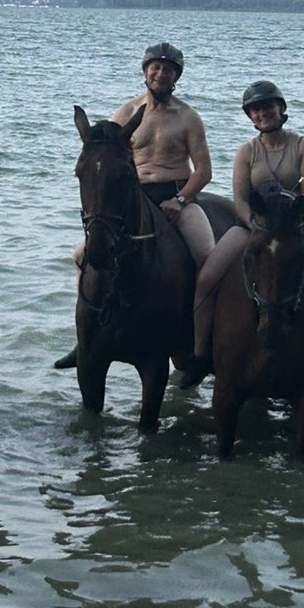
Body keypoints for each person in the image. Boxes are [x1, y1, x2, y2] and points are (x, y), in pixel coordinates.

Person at [179, 80, 304, 389]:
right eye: (255, 110)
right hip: (251, 227)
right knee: (206, 279)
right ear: (250, 117)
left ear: (281, 109)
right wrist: (255, 225)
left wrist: (291, 215)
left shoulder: (302, 146)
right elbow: (240, 198)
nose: (262, 113)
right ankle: (200, 355)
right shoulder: (247, 152)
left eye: (267, 107)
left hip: (292, 227)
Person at [55, 41, 215, 369]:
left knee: (208, 259)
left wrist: (181, 200)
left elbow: (203, 170)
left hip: (176, 196)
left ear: (176, 76)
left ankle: (199, 342)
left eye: (168, 70)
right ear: (145, 72)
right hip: (135, 198)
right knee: (81, 256)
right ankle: (84, 339)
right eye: (155, 68)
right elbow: (107, 159)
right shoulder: (126, 113)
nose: (161, 74)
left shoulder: (188, 117)